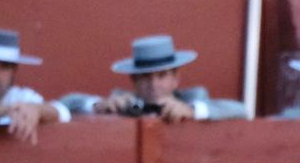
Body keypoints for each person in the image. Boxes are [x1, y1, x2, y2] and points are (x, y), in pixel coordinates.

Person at [62, 35, 247, 122]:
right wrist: (97, 105)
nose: (153, 84)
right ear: (134, 81)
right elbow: (66, 103)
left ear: (176, 79)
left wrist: (192, 111)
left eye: (162, 75)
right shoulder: (125, 103)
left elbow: (241, 111)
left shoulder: (191, 101)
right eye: (145, 77)